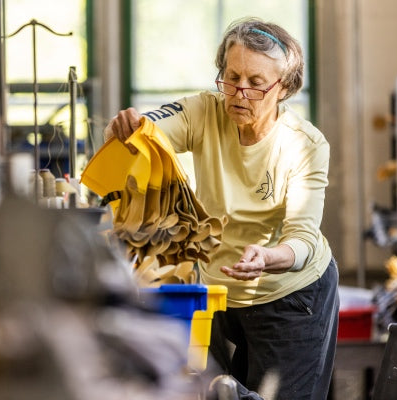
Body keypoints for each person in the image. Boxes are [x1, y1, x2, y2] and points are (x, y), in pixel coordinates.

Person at [103, 17, 339, 400]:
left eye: (256, 83)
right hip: (220, 291)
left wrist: (268, 256)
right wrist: (128, 128)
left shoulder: (305, 145)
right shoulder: (203, 111)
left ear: (284, 89)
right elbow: (151, 130)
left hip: (291, 296)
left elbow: (303, 240)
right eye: (231, 77)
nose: (239, 92)